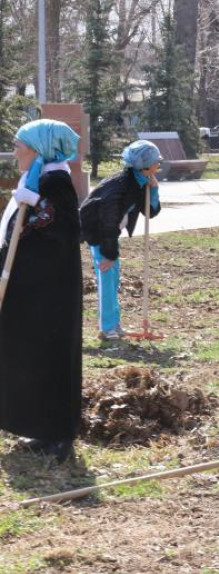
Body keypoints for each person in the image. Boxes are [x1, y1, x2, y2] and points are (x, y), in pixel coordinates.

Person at [0, 119, 83, 463]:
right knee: (29, 357)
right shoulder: (37, 178)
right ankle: (38, 426)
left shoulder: (55, 182)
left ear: (38, 148)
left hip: (50, 294)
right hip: (32, 292)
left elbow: (60, 232)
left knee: (51, 358)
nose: (15, 150)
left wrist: (33, 207)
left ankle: (58, 432)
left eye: (20, 144)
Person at [79, 140, 162, 341]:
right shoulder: (120, 185)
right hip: (98, 230)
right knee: (107, 277)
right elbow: (108, 221)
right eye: (156, 162)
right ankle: (107, 328)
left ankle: (114, 324)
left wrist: (155, 190)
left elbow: (149, 212)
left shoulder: (140, 180)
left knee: (113, 277)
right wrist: (108, 253)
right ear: (144, 164)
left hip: (110, 231)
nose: (159, 165)